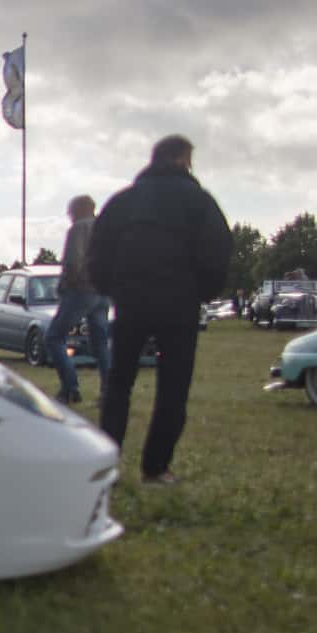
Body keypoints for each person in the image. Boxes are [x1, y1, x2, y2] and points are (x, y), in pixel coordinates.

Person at [90, 134, 232, 486]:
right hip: (178, 304)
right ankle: (155, 467)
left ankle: (107, 462)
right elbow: (217, 251)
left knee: (119, 383)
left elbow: (98, 249)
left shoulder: (123, 202)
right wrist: (202, 292)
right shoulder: (199, 202)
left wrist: (111, 288)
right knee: (173, 387)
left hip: (130, 301)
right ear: (183, 159)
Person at [42, 195, 112, 404]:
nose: (69, 216)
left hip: (81, 290)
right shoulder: (106, 228)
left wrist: (67, 284)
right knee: (101, 343)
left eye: (70, 211)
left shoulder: (78, 229)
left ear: (79, 209)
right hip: (103, 292)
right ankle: (108, 392)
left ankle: (70, 388)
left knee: (54, 337)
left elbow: (73, 260)